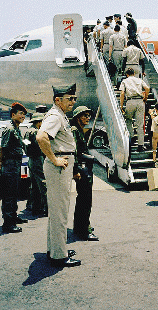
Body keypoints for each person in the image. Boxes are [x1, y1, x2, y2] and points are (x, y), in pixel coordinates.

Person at [36, 83, 81, 267]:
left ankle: (55, 249)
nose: (73, 101)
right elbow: (41, 137)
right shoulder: (55, 116)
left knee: (57, 211)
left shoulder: (60, 114)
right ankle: (58, 256)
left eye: (74, 98)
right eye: (69, 98)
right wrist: (54, 159)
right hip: (58, 168)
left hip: (61, 167)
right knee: (60, 212)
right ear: (58, 100)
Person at [71, 106, 99, 241]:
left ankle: (79, 226)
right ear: (78, 117)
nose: (88, 118)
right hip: (82, 169)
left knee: (82, 199)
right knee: (85, 200)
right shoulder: (75, 130)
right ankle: (84, 230)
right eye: (85, 116)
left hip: (83, 168)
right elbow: (74, 152)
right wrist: (75, 170)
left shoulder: (79, 130)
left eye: (89, 116)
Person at [0, 102, 28, 233]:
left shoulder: (16, 128)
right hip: (9, 166)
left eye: (24, 114)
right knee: (9, 195)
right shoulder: (9, 129)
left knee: (14, 192)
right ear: (13, 115)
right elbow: (2, 148)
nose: (23, 116)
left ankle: (13, 217)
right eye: (21, 113)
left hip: (16, 165)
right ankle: (8, 223)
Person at [119, 68, 150, 152]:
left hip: (130, 101)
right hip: (140, 102)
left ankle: (132, 137)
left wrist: (121, 106)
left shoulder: (125, 81)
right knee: (140, 124)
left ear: (127, 74)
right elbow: (147, 88)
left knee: (128, 119)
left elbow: (122, 93)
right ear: (134, 73)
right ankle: (140, 145)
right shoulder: (139, 80)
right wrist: (145, 98)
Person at [24, 112, 47, 217]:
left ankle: (35, 208)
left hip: (31, 160)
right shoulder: (36, 132)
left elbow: (25, 144)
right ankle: (47, 208)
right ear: (39, 122)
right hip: (38, 159)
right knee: (43, 184)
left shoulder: (28, 131)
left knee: (34, 185)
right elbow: (41, 146)